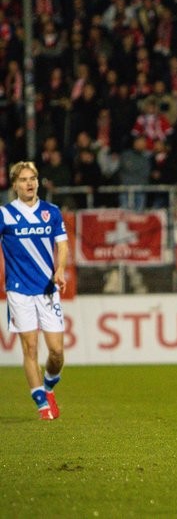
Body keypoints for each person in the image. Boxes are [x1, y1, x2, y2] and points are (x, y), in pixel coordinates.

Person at [0, 161, 68, 420]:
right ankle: (41, 404)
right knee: (30, 348)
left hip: (47, 289)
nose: (29, 183)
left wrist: (60, 269)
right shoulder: (5, 215)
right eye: (24, 179)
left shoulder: (51, 212)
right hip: (18, 290)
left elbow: (62, 245)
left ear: (38, 182)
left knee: (57, 352)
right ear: (15, 185)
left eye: (33, 179)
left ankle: (49, 386)